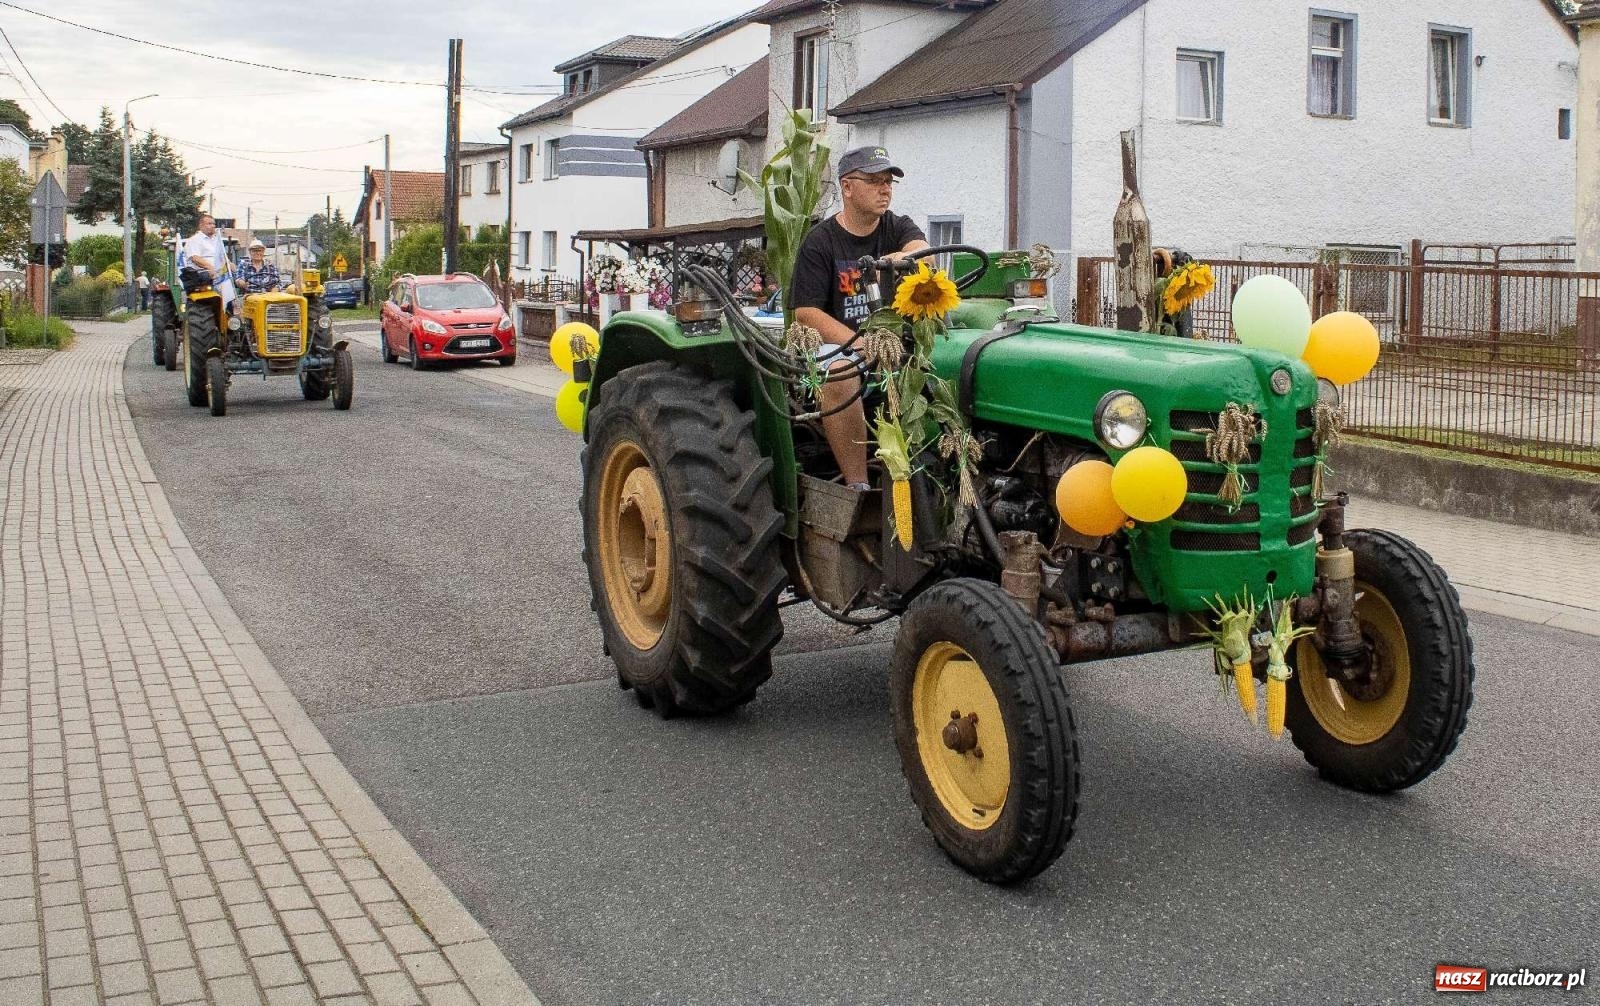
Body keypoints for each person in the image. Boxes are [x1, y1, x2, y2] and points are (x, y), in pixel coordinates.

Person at [790, 146, 929, 490]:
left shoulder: (897, 226)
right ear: (847, 187)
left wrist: (900, 259)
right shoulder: (821, 241)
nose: (885, 189)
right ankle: (858, 484)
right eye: (875, 181)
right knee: (840, 372)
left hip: (896, 342)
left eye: (889, 182)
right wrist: (861, 343)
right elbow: (806, 312)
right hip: (842, 345)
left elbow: (925, 255)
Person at [182, 213, 236, 308]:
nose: (213, 226)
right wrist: (210, 267)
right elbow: (195, 258)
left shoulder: (217, 241)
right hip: (202, 275)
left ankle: (233, 309)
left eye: (214, 224)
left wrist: (231, 265)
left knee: (239, 279)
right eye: (209, 224)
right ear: (201, 225)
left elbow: (223, 258)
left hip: (220, 274)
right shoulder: (194, 240)